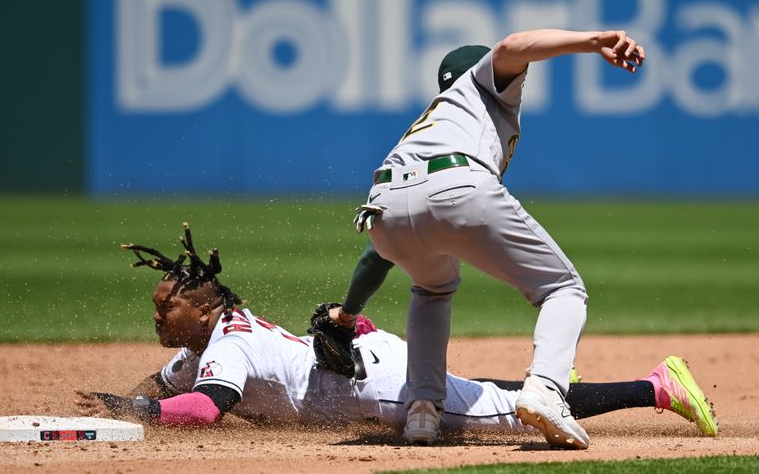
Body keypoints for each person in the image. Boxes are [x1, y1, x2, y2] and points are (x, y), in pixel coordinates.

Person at [75, 225, 718, 443]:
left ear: (205, 308)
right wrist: (122, 409)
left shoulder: (231, 346)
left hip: (377, 388)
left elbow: (203, 410)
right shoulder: (203, 347)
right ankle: (546, 384)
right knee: (482, 393)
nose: (158, 318)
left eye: (167, 308)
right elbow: (168, 388)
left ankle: (656, 386)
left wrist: (135, 413)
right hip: (362, 360)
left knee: (522, 416)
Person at [326, 29, 647, 448]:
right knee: (563, 289)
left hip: (382, 203)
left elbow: (376, 255)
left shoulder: (429, 124)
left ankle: (422, 410)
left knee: (431, 288)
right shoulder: (482, 85)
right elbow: (511, 48)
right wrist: (591, 41)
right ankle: (546, 389)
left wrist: (347, 316)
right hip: (456, 183)